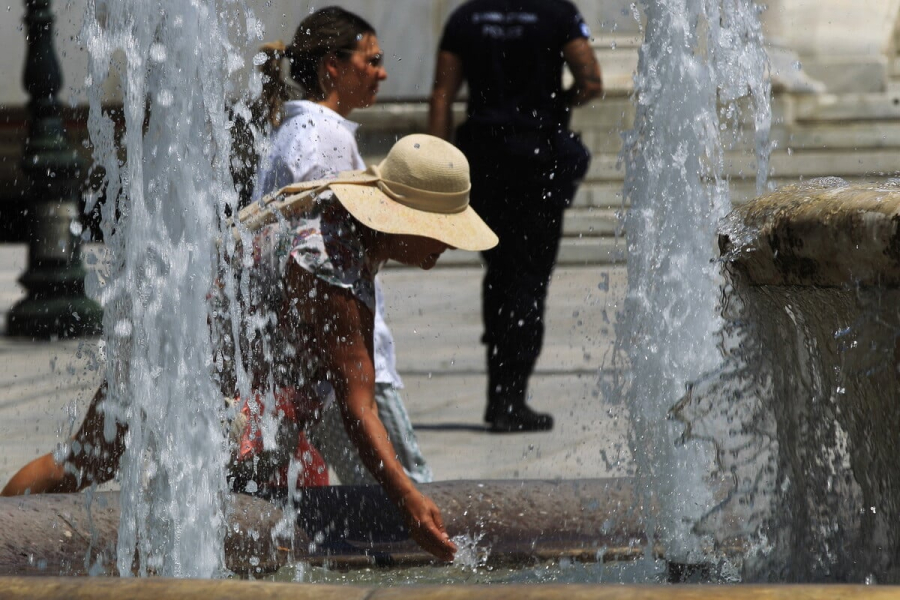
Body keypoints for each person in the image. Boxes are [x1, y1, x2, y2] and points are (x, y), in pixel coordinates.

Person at [1, 133, 499, 562]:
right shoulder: (334, 265)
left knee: (88, 461)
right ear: (403, 216)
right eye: (440, 231)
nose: (448, 244)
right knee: (101, 464)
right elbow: (357, 405)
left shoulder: (342, 221)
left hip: (182, 344)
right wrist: (408, 497)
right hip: (184, 359)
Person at [253, 7, 432, 485]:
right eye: (370, 60)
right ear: (333, 65)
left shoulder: (299, 131)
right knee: (404, 491)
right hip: (340, 360)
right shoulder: (322, 138)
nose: (382, 71)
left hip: (315, 361)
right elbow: (318, 258)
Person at [428, 0, 603, 433]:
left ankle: (499, 396)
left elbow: (442, 95)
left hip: (484, 157)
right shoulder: (557, 13)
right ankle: (511, 398)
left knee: (500, 271)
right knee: (529, 278)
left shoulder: (466, 17)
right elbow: (592, 80)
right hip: (537, 156)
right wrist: (557, 103)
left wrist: (434, 163)